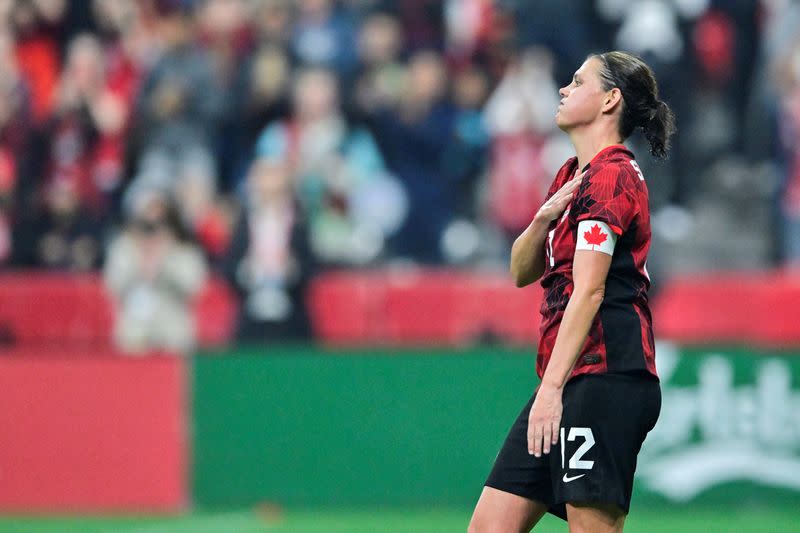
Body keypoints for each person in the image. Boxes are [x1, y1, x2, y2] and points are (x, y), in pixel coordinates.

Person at [469, 51, 676, 532]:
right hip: (570, 377)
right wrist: (543, 219)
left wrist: (552, 389)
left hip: (606, 377)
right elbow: (521, 271)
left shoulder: (612, 177)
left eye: (577, 80)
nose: (563, 89)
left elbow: (589, 291)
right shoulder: (571, 176)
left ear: (610, 99)